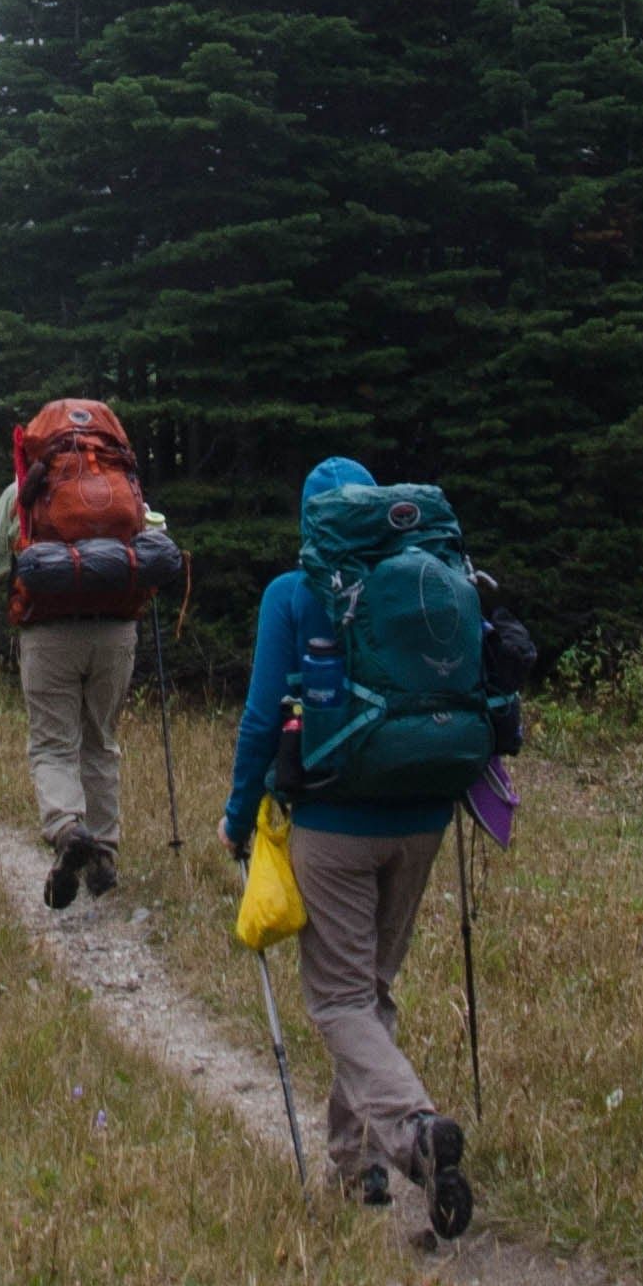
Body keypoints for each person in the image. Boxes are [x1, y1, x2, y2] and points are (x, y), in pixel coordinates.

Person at [221, 456, 481, 1235]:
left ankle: (411, 1135)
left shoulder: (293, 594)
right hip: (426, 812)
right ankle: (354, 1161)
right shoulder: (429, 577)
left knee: (337, 999)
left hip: (333, 822)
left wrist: (238, 815)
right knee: (371, 987)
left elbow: (264, 718)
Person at [0, 396, 177, 908]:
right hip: (115, 634)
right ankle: (101, 848)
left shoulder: (25, 493)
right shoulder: (126, 493)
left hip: (49, 634)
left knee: (54, 743)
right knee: (100, 741)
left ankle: (66, 827)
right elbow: (156, 547)